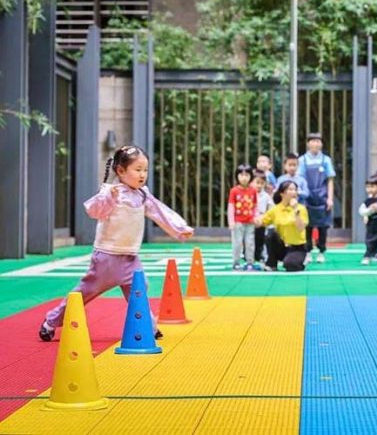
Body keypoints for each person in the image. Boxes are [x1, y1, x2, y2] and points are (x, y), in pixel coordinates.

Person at [39, 145, 193, 341]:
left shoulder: (143, 194)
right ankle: (51, 322)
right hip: (106, 258)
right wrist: (108, 198)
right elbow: (94, 211)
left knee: (140, 289)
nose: (142, 174)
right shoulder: (111, 192)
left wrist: (180, 228)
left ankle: (148, 326)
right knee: (83, 295)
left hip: (130, 257)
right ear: (120, 171)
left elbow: (160, 212)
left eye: (145, 170)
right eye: (137, 170)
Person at [254, 181, 309, 272]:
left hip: (297, 247)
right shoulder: (276, 209)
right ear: (282, 193)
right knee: (271, 235)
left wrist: (295, 209)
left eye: (295, 190)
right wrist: (252, 218)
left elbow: (300, 228)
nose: (294, 192)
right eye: (290, 189)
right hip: (282, 246)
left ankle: (300, 261)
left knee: (290, 265)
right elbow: (261, 222)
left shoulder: (301, 209)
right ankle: (271, 263)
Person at [298, 133, 336, 264]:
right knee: (307, 225)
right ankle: (307, 251)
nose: (316, 144)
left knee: (323, 226)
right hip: (307, 197)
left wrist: (330, 198)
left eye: (318, 141)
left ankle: (321, 251)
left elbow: (330, 180)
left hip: (322, 196)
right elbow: (300, 179)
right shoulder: (302, 160)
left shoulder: (326, 159)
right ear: (308, 144)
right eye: (313, 141)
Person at [228, 164, 257, 271]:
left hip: (250, 221)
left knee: (250, 243)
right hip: (237, 221)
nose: (244, 178)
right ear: (237, 176)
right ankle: (236, 262)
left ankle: (250, 262)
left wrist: (256, 217)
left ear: (250, 177)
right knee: (237, 243)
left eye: (247, 175)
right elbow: (231, 206)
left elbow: (255, 205)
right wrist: (231, 221)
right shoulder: (234, 191)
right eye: (241, 175)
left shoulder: (253, 190)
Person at [252, 171, 274, 266]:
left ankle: (260, 255)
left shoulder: (266, 196)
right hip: (250, 221)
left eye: (261, 183)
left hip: (262, 221)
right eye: (257, 182)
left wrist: (264, 217)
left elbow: (271, 209)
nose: (259, 185)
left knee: (261, 240)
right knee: (249, 240)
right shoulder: (248, 194)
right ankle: (248, 255)